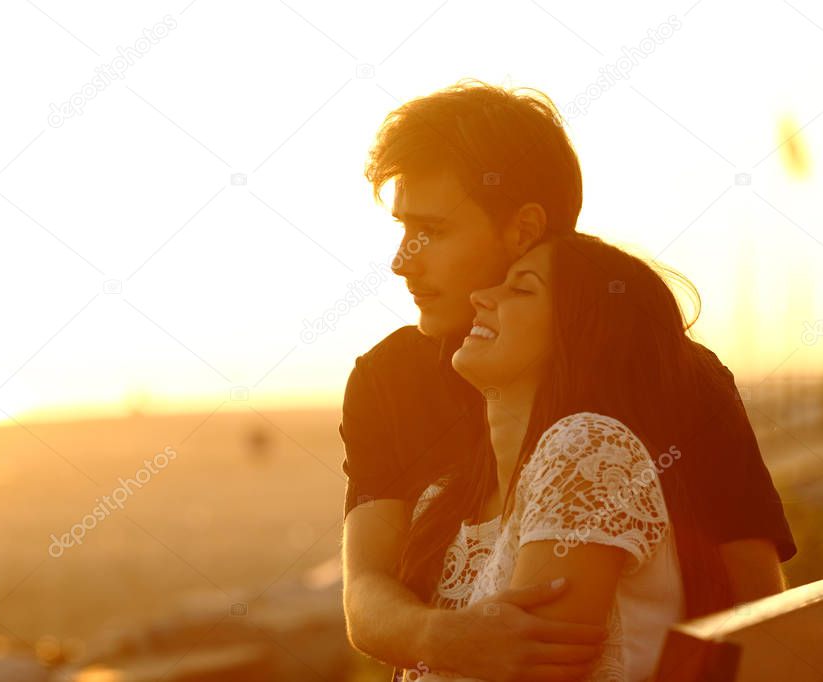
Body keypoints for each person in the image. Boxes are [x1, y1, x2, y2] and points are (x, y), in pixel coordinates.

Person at [340, 80, 795, 681]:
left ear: (523, 228)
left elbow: (756, 610)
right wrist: (448, 639)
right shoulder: (388, 377)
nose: (402, 259)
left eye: (433, 231)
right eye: (402, 228)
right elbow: (364, 594)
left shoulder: (672, 372)